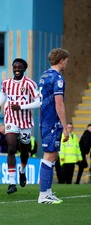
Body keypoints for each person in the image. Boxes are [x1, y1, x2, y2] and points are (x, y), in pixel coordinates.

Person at [0, 58, 41, 194]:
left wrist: (21, 106)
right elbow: (3, 93)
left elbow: (39, 102)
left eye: (20, 67)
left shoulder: (30, 84)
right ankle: (11, 182)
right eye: (15, 67)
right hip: (10, 119)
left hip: (25, 121)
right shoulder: (6, 83)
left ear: (24, 69)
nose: (17, 69)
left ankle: (22, 169)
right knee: (11, 148)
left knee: (24, 151)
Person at [38, 47, 70, 204]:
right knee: (49, 155)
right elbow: (59, 103)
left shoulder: (44, 75)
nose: (67, 64)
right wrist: (65, 127)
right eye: (66, 61)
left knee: (53, 155)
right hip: (52, 121)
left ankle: (48, 192)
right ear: (62, 60)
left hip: (45, 119)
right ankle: (43, 195)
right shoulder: (57, 78)